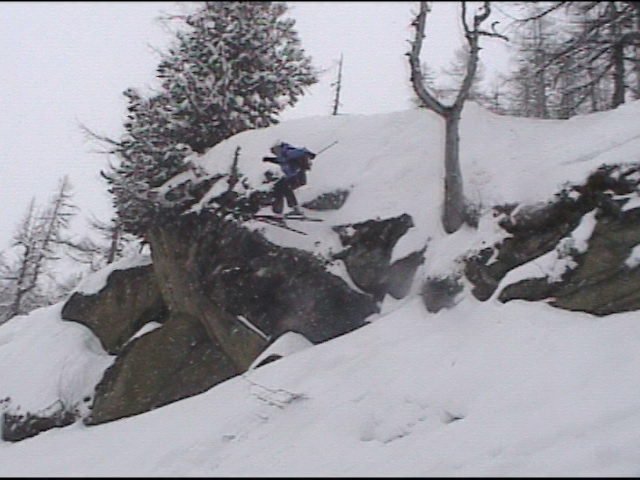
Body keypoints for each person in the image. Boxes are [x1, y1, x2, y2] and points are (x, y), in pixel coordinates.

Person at [262, 142, 316, 218]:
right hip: (293, 177)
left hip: (297, 176)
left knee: (284, 187)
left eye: (273, 151)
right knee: (278, 188)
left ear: (278, 148)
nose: (274, 153)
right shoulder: (283, 155)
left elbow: (301, 152)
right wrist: (270, 159)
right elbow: (281, 160)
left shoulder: (287, 151)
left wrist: (309, 154)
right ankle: (278, 211)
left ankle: (292, 209)